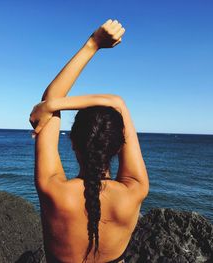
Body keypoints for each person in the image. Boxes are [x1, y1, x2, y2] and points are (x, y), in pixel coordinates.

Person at [29, 19, 149, 263]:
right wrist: (53, 105)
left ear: (72, 142)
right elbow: (118, 103)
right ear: (118, 146)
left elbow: (51, 99)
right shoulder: (135, 190)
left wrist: (92, 44)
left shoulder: (53, 190)